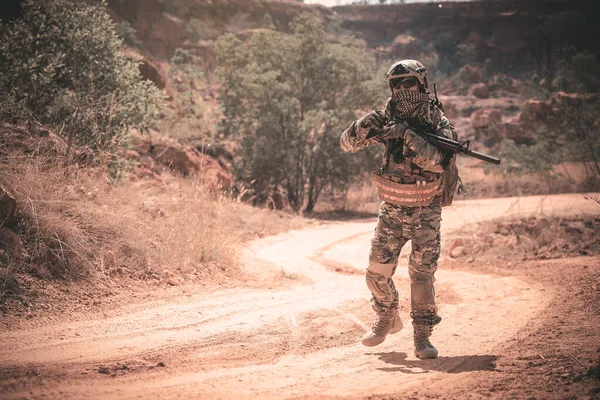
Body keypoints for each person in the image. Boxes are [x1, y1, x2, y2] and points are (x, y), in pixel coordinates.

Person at [339, 59, 459, 359]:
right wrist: (369, 123)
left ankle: (422, 337)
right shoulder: (385, 119)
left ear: (421, 84)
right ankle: (387, 316)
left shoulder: (437, 122)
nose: (402, 90)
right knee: (375, 274)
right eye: (396, 84)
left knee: (421, 277)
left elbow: (436, 161)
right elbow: (347, 144)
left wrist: (407, 135)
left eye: (408, 83)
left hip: (425, 212)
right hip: (392, 210)